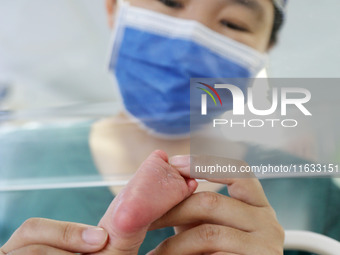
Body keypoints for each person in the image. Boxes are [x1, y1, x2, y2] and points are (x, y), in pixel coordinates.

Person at [3, 0, 322, 254]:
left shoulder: (305, 191)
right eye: (170, 2)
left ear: (262, 52)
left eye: (232, 23)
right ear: (114, 8)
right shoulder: (14, 164)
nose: (190, 39)